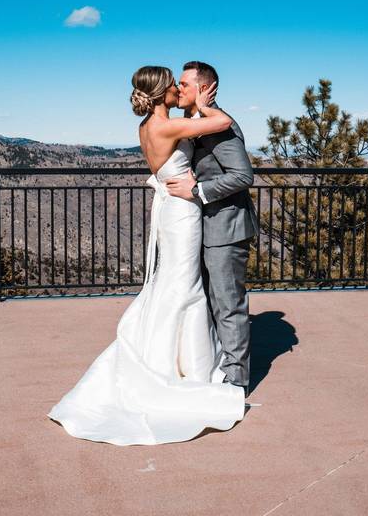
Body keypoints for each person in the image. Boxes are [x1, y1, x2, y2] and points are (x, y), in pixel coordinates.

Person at [47, 65, 246, 446]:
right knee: (181, 286)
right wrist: (205, 105)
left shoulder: (149, 127)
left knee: (175, 283)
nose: (177, 87)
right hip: (182, 212)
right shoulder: (166, 126)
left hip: (174, 211)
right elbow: (223, 122)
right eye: (173, 83)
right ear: (160, 92)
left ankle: (176, 362)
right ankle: (174, 370)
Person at [165, 61, 259, 394]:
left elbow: (243, 176)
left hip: (226, 229)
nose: (179, 89)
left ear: (205, 88)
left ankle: (236, 384)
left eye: (185, 84)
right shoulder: (197, 123)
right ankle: (213, 366)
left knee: (228, 303)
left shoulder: (220, 125)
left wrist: (197, 191)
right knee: (205, 301)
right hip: (200, 228)